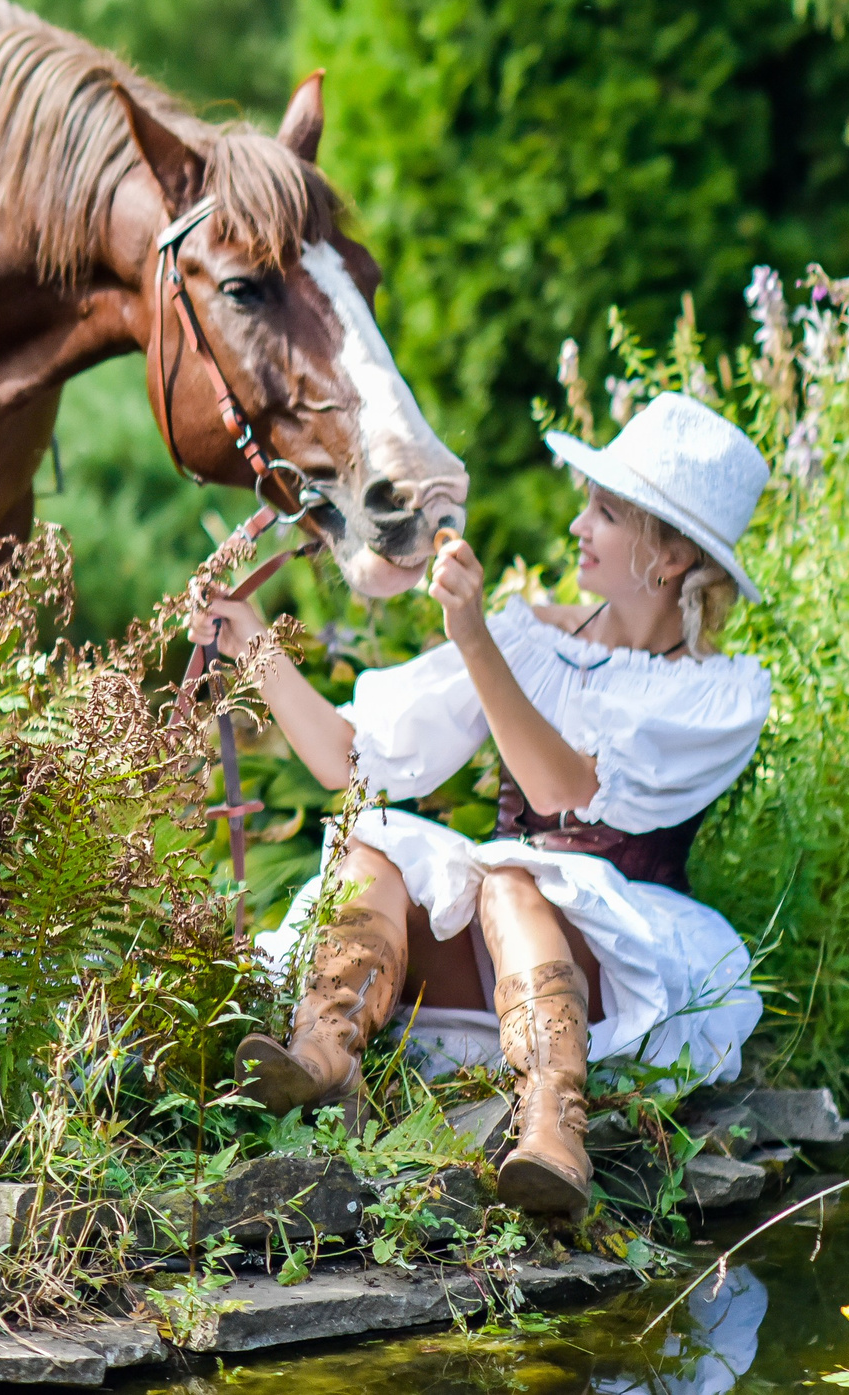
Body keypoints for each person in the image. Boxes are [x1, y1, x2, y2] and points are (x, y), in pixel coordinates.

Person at [190, 392, 773, 1214]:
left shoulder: (718, 697)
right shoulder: (532, 636)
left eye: (603, 513)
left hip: (622, 970)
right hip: (499, 965)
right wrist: (249, 639)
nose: (578, 526)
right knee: (376, 844)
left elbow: (563, 790)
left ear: (669, 556)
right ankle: (324, 1052)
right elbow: (346, 758)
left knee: (510, 880)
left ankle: (552, 1123)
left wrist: (474, 636)